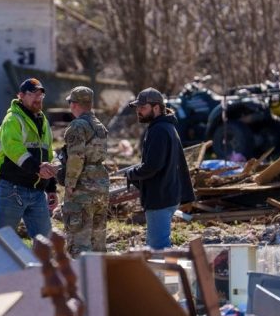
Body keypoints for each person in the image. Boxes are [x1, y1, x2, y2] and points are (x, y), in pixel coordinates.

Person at [125, 87, 195, 249]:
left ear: (156, 108)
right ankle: (164, 274)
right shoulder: (166, 127)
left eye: (143, 108)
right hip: (167, 194)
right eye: (138, 108)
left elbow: (152, 166)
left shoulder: (159, 130)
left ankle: (166, 275)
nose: (139, 111)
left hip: (160, 197)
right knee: (156, 245)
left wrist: (131, 173)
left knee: (158, 248)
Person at [0, 78, 58, 238]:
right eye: (33, 94)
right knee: (2, 243)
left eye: (41, 95)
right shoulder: (13, 120)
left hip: (37, 192)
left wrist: (51, 188)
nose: (38, 98)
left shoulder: (43, 122)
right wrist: (38, 168)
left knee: (46, 244)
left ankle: (40, 264)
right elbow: (14, 150)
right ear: (20, 96)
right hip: (13, 190)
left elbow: (48, 154)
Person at [60, 86, 109, 257]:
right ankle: (100, 281)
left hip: (82, 187)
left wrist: (70, 184)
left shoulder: (77, 126)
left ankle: (82, 280)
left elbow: (76, 157)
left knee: (78, 240)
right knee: (98, 240)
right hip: (101, 185)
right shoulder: (99, 125)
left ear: (74, 104)